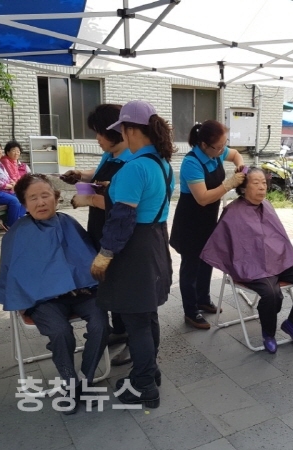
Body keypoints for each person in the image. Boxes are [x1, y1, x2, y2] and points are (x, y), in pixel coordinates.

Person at [0, 174, 108, 415]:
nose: (41, 202)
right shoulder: (17, 234)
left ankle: (85, 380)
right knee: (59, 331)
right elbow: (12, 277)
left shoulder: (69, 223)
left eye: (45, 195)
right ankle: (70, 383)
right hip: (43, 300)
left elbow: (86, 257)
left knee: (100, 324)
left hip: (81, 292)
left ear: (55, 198)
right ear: (24, 204)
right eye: (33, 198)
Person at [90, 100, 174, 409]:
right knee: (147, 315)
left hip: (134, 251)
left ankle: (143, 387)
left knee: (137, 322)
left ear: (131, 130)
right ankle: (149, 371)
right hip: (155, 242)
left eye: (122, 129)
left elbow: (122, 219)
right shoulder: (162, 164)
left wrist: (105, 254)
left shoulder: (134, 168)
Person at [201, 167, 293, 353]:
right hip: (251, 267)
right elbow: (222, 245)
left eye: (264, 183)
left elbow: (277, 238)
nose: (262, 187)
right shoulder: (232, 212)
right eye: (256, 183)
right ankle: (268, 333)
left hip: (279, 261)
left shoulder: (267, 205)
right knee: (272, 294)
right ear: (243, 188)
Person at [62, 104, 131, 366]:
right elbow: (98, 173)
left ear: (115, 131)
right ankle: (120, 329)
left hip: (119, 233)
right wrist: (80, 174)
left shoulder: (131, 162)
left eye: (100, 132)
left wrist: (90, 199)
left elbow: (122, 205)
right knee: (111, 285)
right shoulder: (111, 154)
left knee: (125, 289)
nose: (97, 139)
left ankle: (136, 343)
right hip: (101, 229)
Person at [169, 120, 245, 330]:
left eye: (223, 145)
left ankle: (203, 299)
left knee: (207, 260)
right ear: (204, 145)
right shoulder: (191, 162)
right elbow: (202, 198)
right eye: (218, 147)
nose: (222, 150)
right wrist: (229, 184)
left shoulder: (216, 152)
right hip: (191, 220)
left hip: (208, 219)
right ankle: (191, 311)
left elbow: (235, 154)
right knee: (191, 266)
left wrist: (239, 164)